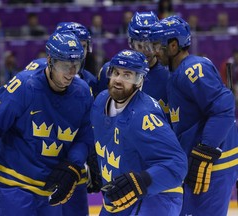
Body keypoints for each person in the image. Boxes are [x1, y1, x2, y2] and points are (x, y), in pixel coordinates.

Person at [0, 32, 94, 216]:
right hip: (12, 183)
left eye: (76, 65)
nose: (71, 72)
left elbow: (85, 135)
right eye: (65, 65)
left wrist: (73, 165)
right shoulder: (24, 86)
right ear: (50, 60)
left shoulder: (83, 92)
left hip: (48, 187)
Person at [149, 15, 238, 216]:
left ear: (173, 46)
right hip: (200, 163)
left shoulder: (193, 69)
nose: (154, 51)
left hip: (214, 164)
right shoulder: (176, 73)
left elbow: (223, 108)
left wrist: (206, 149)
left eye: (158, 45)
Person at [91, 49, 188, 215]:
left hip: (158, 195)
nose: (119, 80)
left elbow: (177, 164)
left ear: (139, 81)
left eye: (127, 75)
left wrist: (141, 181)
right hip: (121, 196)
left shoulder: (144, 116)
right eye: (116, 73)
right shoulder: (100, 102)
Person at [54, 21, 101, 216]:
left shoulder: (90, 81)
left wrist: (93, 158)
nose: (79, 53)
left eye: (83, 46)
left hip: (76, 167)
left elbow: (95, 123)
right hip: (47, 165)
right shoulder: (40, 78)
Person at [97, 11, 170, 120]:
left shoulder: (169, 75)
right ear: (131, 43)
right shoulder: (109, 72)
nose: (146, 51)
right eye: (140, 45)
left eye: (151, 45)